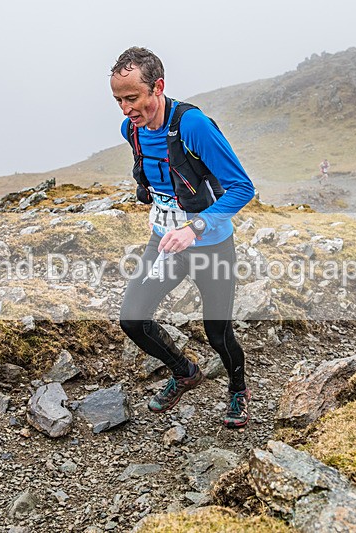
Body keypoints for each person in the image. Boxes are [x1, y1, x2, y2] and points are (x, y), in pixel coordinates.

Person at [110, 47, 256, 428]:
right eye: (119, 100)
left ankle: (238, 389)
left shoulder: (193, 126)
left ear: (157, 87)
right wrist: (162, 216)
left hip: (210, 246)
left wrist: (195, 228)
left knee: (217, 331)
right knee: (132, 319)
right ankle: (185, 371)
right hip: (165, 244)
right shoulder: (133, 131)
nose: (126, 110)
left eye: (133, 98)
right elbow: (162, 181)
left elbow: (242, 188)